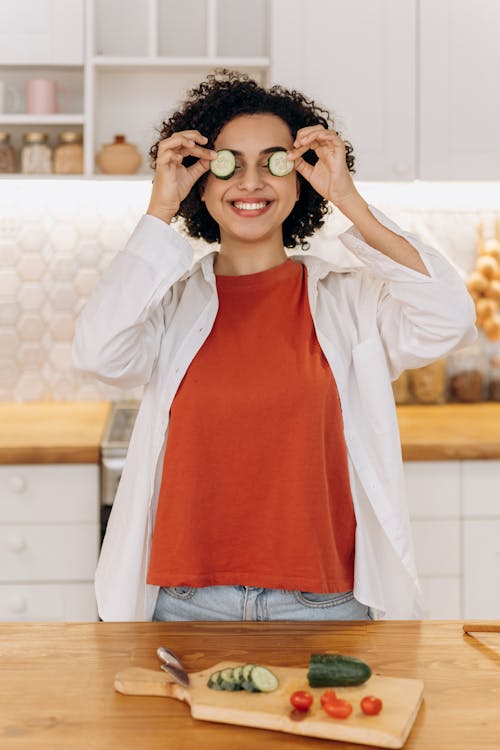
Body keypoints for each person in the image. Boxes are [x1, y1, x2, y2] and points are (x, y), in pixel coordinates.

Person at [73, 69, 476, 622]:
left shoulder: (349, 303)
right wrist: (159, 210)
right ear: (201, 181)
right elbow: (97, 353)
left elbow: (448, 318)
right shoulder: (171, 304)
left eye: (273, 162)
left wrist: (348, 198)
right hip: (186, 605)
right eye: (228, 164)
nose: (251, 183)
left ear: (300, 178)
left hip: (326, 603)